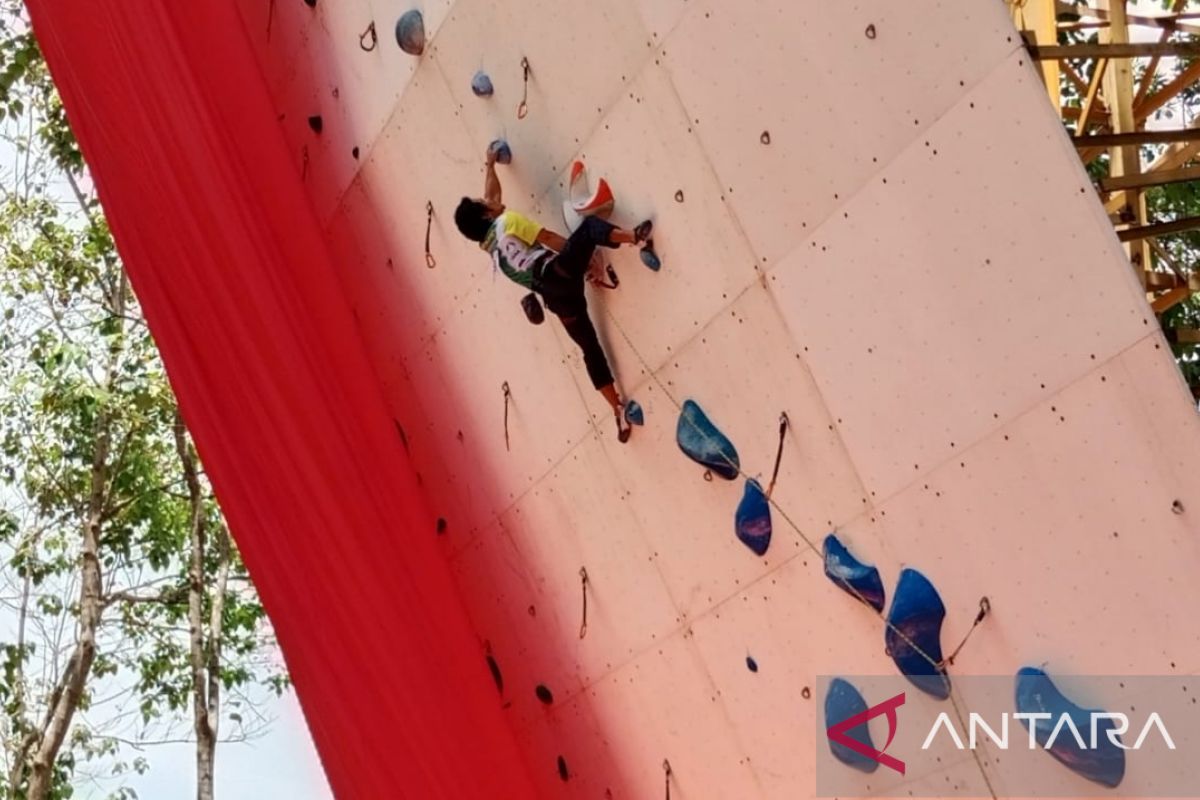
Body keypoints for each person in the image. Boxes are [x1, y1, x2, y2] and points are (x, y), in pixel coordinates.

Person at [454, 145, 654, 443]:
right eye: (483, 201)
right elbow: (548, 238)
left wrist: (490, 164)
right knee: (588, 230)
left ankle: (617, 410)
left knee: (590, 349)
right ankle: (633, 238)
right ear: (485, 213)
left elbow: (494, 199)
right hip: (556, 272)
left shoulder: (490, 248)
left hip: (557, 301)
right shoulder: (507, 223)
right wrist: (584, 260)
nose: (488, 198)